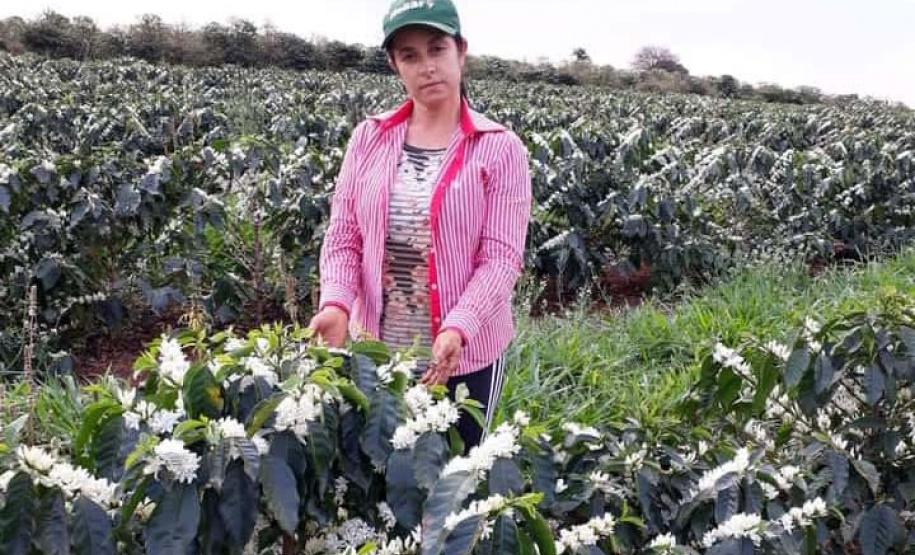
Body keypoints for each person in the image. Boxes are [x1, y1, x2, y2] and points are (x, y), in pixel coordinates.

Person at [308, 0, 532, 450]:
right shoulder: (369, 138)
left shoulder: (500, 149)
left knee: (453, 479)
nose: (427, 67)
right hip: (376, 357)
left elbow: (501, 259)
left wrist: (458, 327)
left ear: (460, 51)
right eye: (410, 55)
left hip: (463, 358)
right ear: (394, 65)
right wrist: (336, 303)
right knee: (377, 484)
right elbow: (343, 234)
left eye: (436, 49)